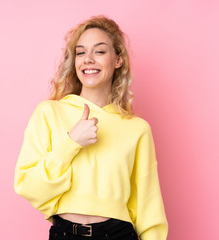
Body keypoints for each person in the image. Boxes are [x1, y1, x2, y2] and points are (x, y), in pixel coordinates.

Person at [13, 15, 168, 240]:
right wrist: (71, 143)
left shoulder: (137, 129)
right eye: (81, 52)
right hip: (65, 233)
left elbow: (148, 208)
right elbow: (28, 187)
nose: (88, 59)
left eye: (100, 51)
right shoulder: (49, 113)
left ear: (118, 60)